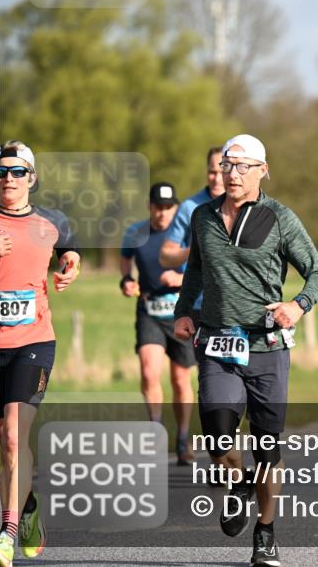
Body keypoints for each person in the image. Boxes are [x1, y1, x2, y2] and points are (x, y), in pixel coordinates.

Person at [173, 134, 318, 567]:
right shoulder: (203, 216)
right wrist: (184, 311)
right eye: (228, 165)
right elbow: (196, 269)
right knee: (219, 437)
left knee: (266, 448)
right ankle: (240, 483)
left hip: (266, 347)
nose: (234, 173)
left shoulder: (278, 217)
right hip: (218, 344)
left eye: (243, 166)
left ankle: (265, 531)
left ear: (263, 170)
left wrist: (297, 306)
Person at [0, 141, 80, 567]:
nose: (8, 179)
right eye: (2, 171)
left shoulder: (52, 220)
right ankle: (28, 510)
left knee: (14, 436)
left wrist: (72, 264)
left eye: (17, 171)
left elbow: (69, 248)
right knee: (4, 445)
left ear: (31, 177)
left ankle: (6, 531)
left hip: (33, 342)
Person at [120, 182, 195, 464]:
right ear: (149, 206)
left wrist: (180, 279)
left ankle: (183, 439)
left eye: (168, 207)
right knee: (150, 372)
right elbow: (125, 259)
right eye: (157, 207)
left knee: (180, 379)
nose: (163, 213)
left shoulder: (186, 235)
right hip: (150, 309)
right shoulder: (136, 232)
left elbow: (207, 267)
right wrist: (126, 280)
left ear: (175, 208)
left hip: (182, 311)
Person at [159, 146, 225, 322]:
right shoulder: (190, 207)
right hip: (198, 308)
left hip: (235, 307)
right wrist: (195, 249)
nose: (217, 179)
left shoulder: (247, 207)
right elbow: (166, 256)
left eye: (222, 171)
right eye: (212, 172)